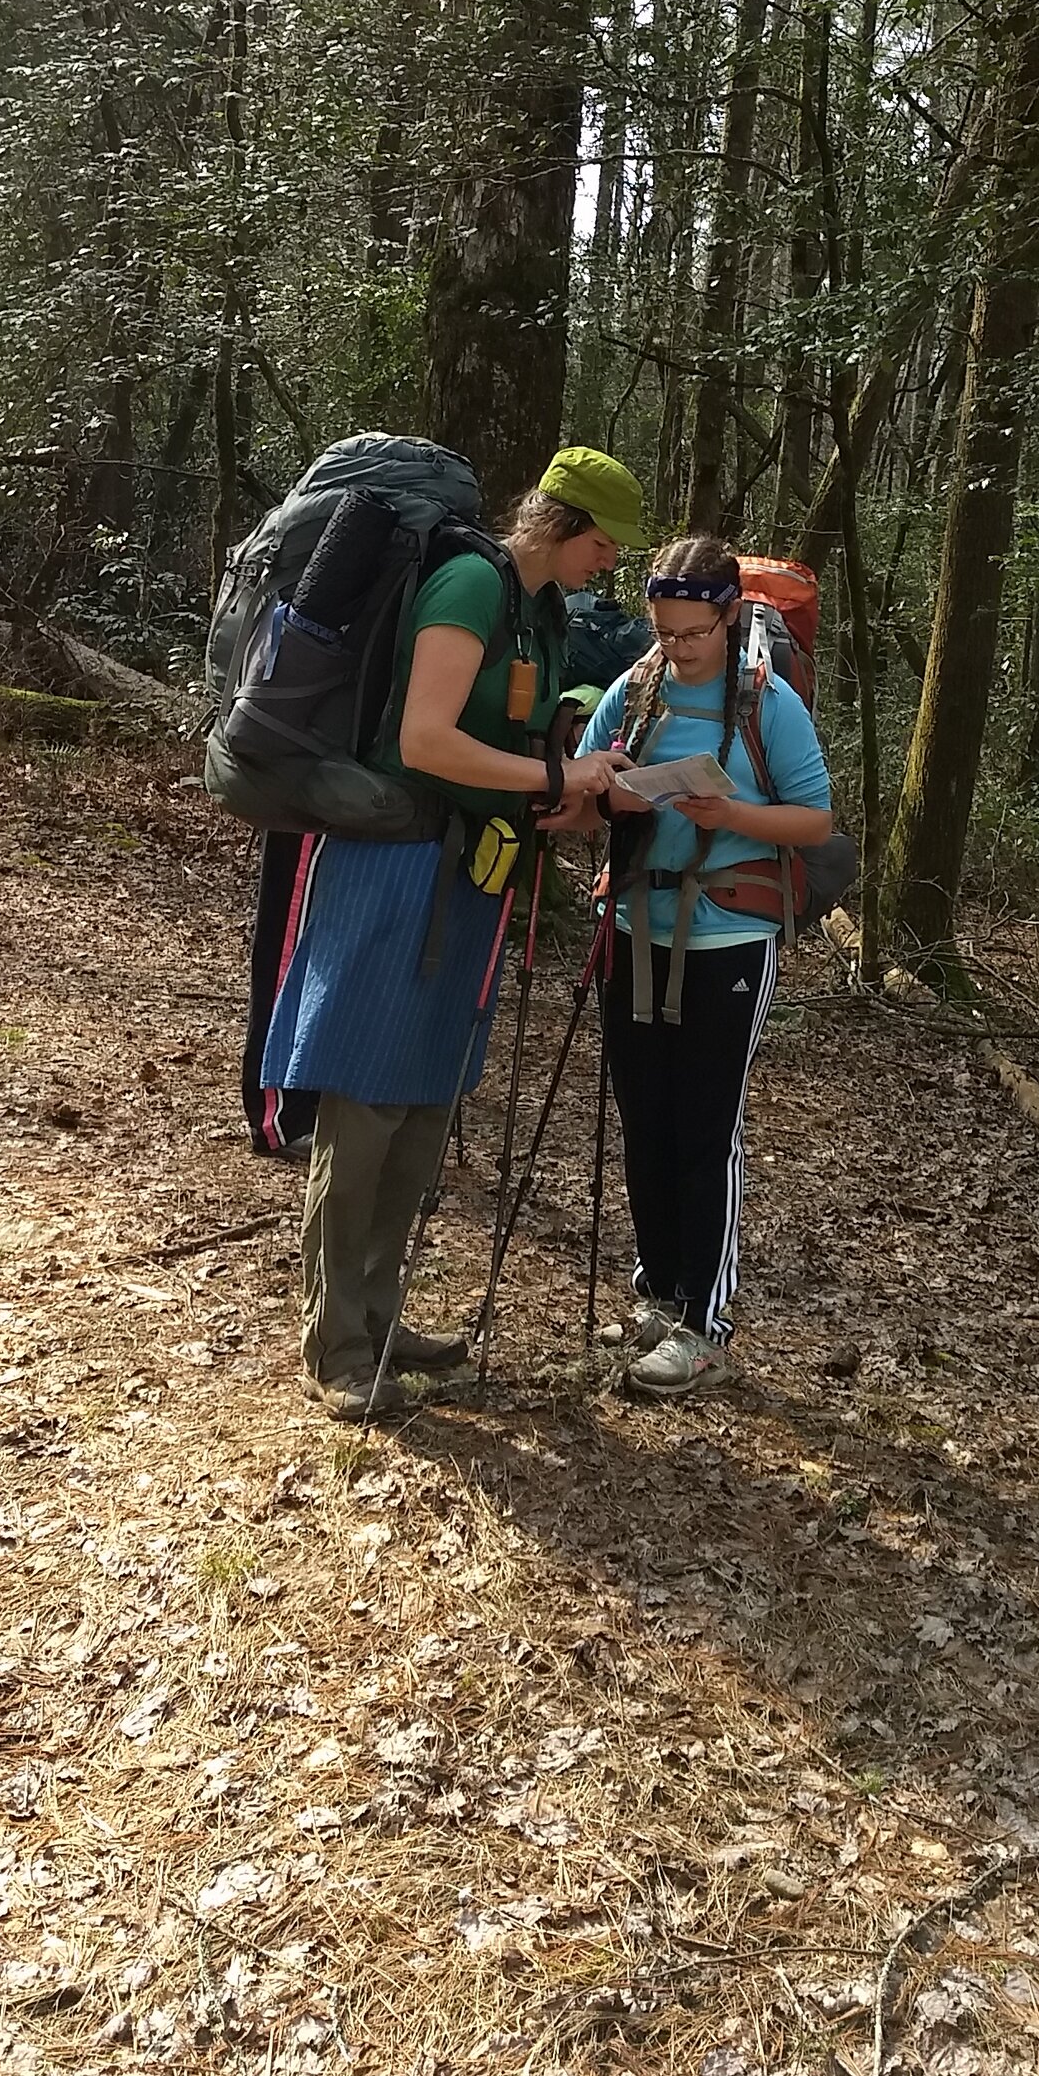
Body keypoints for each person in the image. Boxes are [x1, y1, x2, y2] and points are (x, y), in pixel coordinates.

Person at [258, 446, 645, 1417]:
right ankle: (336, 1342)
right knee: (367, 1104)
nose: (608, 564)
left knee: (426, 1105)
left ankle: (381, 1315)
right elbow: (424, 740)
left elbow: (501, 737)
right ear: (561, 523)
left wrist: (556, 761)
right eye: (602, 543)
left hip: (468, 870)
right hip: (394, 865)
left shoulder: (538, 610)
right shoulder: (471, 583)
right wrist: (559, 781)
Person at [571, 533, 833, 1396]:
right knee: (645, 1117)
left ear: (728, 616)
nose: (675, 648)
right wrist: (605, 788)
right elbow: (591, 785)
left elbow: (815, 822)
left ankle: (703, 1324)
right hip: (635, 925)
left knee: (705, 1126)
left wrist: (731, 815)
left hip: (727, 936)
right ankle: (659, 1292)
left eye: (690, 633)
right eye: (664, 631)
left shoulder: (767, 704)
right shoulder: (636, 687)